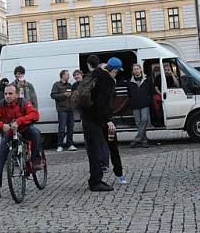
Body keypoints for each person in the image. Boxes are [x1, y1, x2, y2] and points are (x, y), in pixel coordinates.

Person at [0, 84, 42, 199]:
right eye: (5, 94)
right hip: (10, 132)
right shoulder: (1, 104)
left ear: (17, 94)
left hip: (25, 129)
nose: (7, 96)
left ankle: (36, 159)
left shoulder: (23, 102)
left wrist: (19, 121)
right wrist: (2, 125)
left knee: (36, 133)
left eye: (10, 94)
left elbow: (35, 114)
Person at [79, 54, 121, 192]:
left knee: (94, 149)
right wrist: (108, 120)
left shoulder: (94, 74)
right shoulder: (106, 79)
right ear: (114, 70)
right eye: (117, 72)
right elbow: (102, 103)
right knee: (96, 150)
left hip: (88, 117)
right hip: (95, 119)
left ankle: (97, 179)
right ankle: (95, 182)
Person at [127, 63, 154, 148]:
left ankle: (137, 139)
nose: (136, 70)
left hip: (145, 104)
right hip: (135, 105)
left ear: (141, 70)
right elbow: (129, 94)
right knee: (138, 123)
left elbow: (151, 90)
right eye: (134, 69)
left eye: (137, 69)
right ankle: (144, 140)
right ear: (133, 71)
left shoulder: (147, 79)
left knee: (144, 119)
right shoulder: (129, 81)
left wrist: (148, 99)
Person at [50, 69, 75, 152]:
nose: (69, 76)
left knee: (70, 128)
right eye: (67, 74)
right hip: (62, 110)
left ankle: (70, 144)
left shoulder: (69, 85)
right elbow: (53, 95)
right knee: (62, 128)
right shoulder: (56, 85)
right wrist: (64, 94)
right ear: (63, 76)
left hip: (70, 109)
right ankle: (60, 145)